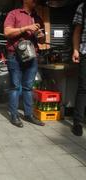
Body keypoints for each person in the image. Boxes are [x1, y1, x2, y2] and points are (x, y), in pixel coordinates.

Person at [4, 0, 45, 128]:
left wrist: (41, 35)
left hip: (32, 56)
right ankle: (14, 115)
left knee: (28, 87)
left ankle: (29, 114)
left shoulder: (38, 18)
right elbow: (7, 32)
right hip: (15, 55)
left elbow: (43, 40)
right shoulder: (14, 13)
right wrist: (26, 28)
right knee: (15, 86)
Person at [72, 2, 86, 136]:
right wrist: (76, 50)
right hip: (85, 52)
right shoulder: (83, 6)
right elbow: (77, 30)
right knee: (83, 88)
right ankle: (77, 123)